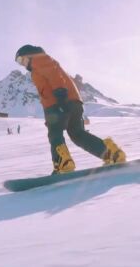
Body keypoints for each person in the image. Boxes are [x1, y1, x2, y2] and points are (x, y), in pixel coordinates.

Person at [14, 44, 126, 174]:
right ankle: (112, 154)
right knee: (77, 134)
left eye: (21, 60)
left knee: (55, 133)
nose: (21, 64)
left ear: (30, 54)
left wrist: (61, 98)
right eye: (18, 62)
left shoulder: (39, 60)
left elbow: (54, 76)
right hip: (73, 101)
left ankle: (63, 163)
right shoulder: (44, 63)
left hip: (58, 102)